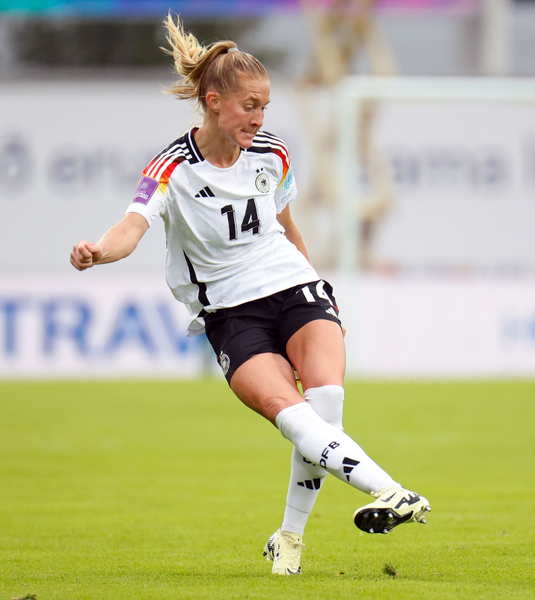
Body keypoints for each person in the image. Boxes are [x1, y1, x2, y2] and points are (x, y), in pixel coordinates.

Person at [69, 13, 430, 576]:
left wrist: (317, 291)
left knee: (327, 403)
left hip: (293, 287)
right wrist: (97, 251)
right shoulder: (172, 169)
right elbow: (130, 229)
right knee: (290, 414)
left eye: (265, 106)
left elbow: (287, 226)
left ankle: (307, 530)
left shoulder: (272, 151)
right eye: (249, 107)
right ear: (214, 101)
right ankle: (385, 492)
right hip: (231, 313)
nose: (259, 118)